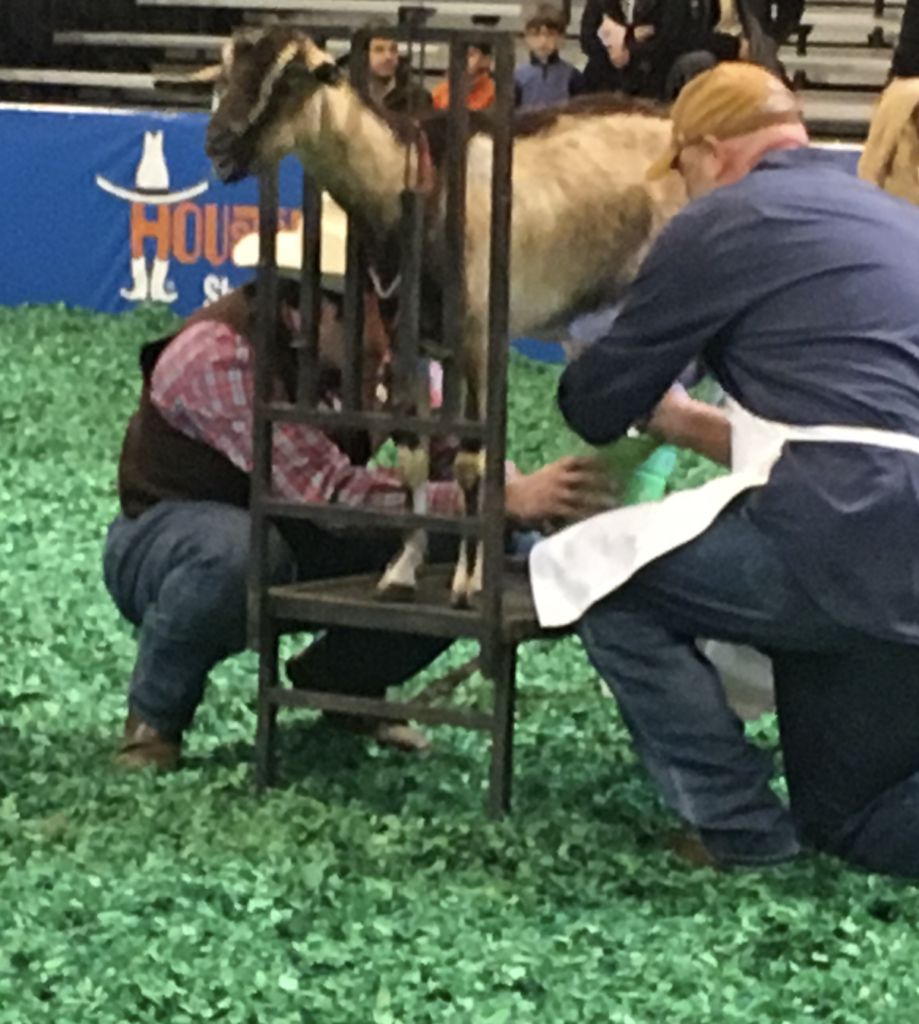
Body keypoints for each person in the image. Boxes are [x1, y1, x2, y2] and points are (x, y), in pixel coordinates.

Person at [531, 61, 919, 878]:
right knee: (855, 820)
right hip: (888, 541)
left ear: (708, 151)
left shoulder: (725, 219)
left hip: (832, 526)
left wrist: (614, 371)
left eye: (684, 172)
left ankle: (736, 827)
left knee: (604, 577)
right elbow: (844, 419)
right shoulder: (894, 217)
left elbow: (598, 403)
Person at [103, 277, 607, 771]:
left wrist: (517, 498)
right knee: (237, 554)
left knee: (489, 544)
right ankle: (154, 718)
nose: (388, 344)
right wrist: (496, 500)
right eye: (377, 319)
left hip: (304, 529)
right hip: (175, 529)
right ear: (316, 312)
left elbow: (453, 447)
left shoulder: (388, 353)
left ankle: (343, 682)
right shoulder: (215, 353)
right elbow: (330, 494)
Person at [579, 0, 742, 101]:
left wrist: (629, 45)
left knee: (697, 62)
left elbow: (670, 38)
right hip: (609, 69)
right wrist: (622, 42)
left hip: (655, 68)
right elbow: (587, 37)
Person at [514, 3, 584, 110]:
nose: (543, 41)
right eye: (536, 34)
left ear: (561, 38)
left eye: (550, 34)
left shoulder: (572, 76)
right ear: (526, 38)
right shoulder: (518, 77)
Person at [357, 21, 433, 114]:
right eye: (379, 50)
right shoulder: (350, 93)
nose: (388, 56)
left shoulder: (417, 97)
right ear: (364, 55)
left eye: (393, 49)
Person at [432, 44, 495, 111]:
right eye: (460, 55)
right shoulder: (439, 93)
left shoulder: (492, 96)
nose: (463, 60)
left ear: (486, 60)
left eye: (470, 54)